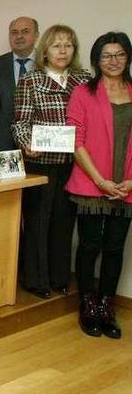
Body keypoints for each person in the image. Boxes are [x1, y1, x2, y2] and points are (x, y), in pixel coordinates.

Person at [11, 24, 92, 300]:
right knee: (38, 221)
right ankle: (36, 280)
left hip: (75, 162)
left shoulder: (84, 79)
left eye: (68, 45)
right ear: (45, 50)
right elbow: (20, 123)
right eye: (57, 45)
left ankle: (59, 278)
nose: (62, 50)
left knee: (63, 221)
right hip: (40, 162)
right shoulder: (30, 80)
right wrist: (27, 143)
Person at [65, 32, 132, 339]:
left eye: (119, 54)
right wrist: (101, 180)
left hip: (127, 185)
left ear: (127, 57)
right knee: (90, 245)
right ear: (96, 60)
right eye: (106, 55)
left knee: (115, 248)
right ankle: (88, 305)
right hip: (91, 182)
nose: (113, 60)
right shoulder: (83, 92)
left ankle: (107, 306)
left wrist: (128, 182)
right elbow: (75, 141)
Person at [0, 17, 39, 152]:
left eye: (25, 31)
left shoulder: (48, 63)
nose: (19, 36)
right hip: (2, 143)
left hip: (38, 143)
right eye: (14, 32)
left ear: (36, 35)